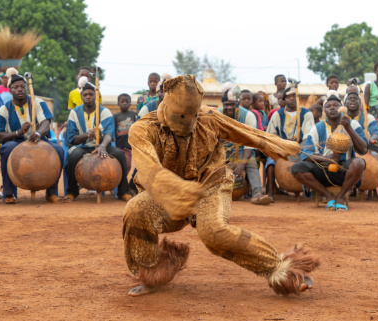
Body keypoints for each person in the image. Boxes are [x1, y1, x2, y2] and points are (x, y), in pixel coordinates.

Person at [123, 74, 319, 297]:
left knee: (214, 233)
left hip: (211, 187)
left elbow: (247, 133)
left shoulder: (209, 117)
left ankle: (280, 269)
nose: (188, 124)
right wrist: (177, 189)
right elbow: (149, 169)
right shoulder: (142, 128)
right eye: (181, 117)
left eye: (193, 116)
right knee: (135, 209)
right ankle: (152, 271)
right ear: (165, 106)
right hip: (167, 193)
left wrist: (287, 146)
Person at [0, 69, 64, 204]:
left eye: (22, 86)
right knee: (7, 149)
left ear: (26, 88)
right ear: (10, 90)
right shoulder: (3, 110)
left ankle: (51, 192)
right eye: (15, 87)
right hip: (15, 142)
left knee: (59, 150)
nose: (20, 89)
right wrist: (18, 132)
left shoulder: (38, 102)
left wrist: (37, 133)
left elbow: (45, 123)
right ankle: (9, 193)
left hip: (39, 139)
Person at [291, 91, 368, 211]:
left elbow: (363, 150)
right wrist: (327, 159)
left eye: (336, 106)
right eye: (328, 106)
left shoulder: (353, 124)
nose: (332, 108)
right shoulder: (317, 128)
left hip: (345, 171)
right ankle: (328, 196)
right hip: (323, 170)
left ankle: (340, 197)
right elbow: (306, 155)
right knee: (297, 168)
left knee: (359, 163)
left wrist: (348, 128)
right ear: (324, 111)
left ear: (342, 108)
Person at [63, 82, 132, 202]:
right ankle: (72, 192)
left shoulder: (105, 112)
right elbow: (71, 138)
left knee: (120, 155)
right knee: (73, 157)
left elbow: (109, 134)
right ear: (81, 97)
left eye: (91, 94)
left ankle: (123, 192)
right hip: (82, 146)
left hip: (103, 146)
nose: (88, 97)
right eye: (85, 95)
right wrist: (85, 136)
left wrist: (103, 146)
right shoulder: (74, 113)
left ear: (96, 96)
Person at [220, 84, 271, 205]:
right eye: (226, 105)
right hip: (223, 151)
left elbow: (250, 143)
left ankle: (257, 193)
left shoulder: (248, 116)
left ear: (238, 104)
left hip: (244, 150)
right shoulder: (218, 114)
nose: (229, 108)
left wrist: (242, 164)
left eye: (232, 104)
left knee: (251, 163)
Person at [265, 87, 315, 200]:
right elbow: (271, 135)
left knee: (312, 161)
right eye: (288, 97)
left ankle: (312, 191)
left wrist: (298, 147)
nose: (291, 99)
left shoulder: (307, 114)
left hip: (301, 147)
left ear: (298, 98)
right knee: (270, 162)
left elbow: (308, 136)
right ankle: (270, 192)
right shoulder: (277, 115)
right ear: (284, 99)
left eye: (294, 96)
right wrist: (283, 146)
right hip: (281, 147)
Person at [344, 87, 378, 201]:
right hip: (346, 146)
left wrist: (372, 139)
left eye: (355, 99)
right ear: (344, 102)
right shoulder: (342, 116)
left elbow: (375, 132)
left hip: (366, 145)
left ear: (360, 102)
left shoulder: (368, 117)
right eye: (349, 99)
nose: (352, 101)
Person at [113, 93, 136, 173]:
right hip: (119, 145)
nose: (125, 103)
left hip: (128, 146)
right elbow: (113, 130)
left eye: (127, 102)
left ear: (130, 103)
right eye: (122, 101)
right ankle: (120, 180)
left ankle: (124, 179)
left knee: (128, 165)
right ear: (118, 103)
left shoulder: (133, 114)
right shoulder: (116, 116)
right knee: (119, 164)